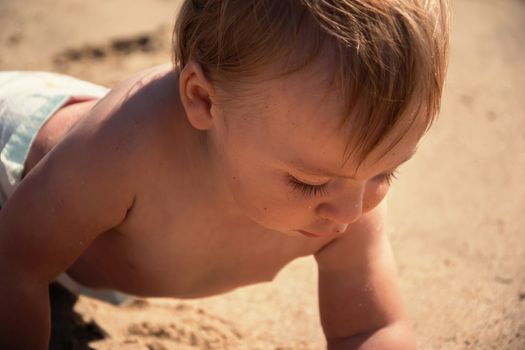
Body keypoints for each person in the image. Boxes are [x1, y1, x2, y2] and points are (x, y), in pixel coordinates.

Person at [0, 0, 449, 348]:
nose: (350, 211)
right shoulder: (125, 151)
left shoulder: (343, 178)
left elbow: (371, 328)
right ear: (205, 101)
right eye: (309, 182)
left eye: (386, 172)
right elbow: (15, 261)